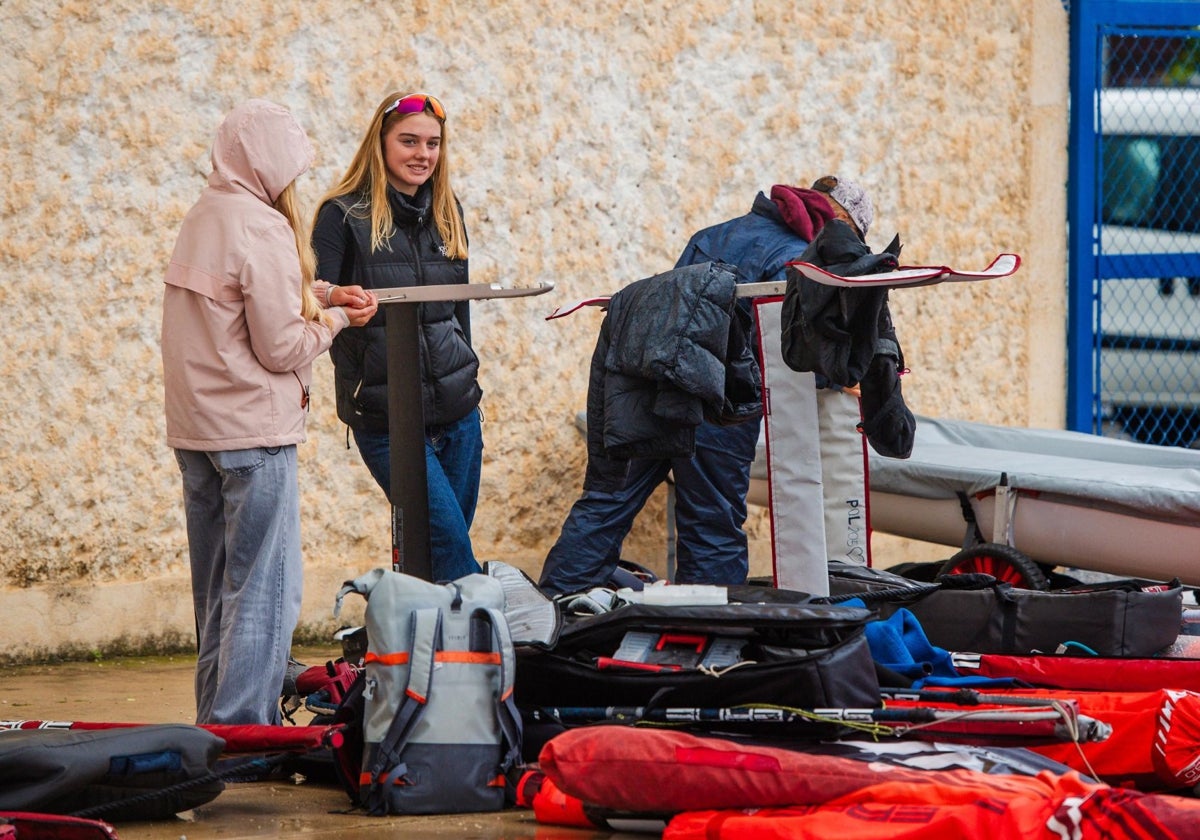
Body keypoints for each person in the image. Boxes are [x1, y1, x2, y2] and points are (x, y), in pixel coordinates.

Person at [538, 176, 876, 596]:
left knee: (608, 502)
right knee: (711, 524)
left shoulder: (714, 234)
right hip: (717, 400)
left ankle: (551, 610)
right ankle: (705, 634)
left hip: (649, 385)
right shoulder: (797, 256)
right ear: (842, 217)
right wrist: (838, 375)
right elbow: (784, 344)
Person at [162, 99, 378, 725]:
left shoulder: (205, 214)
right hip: (254, 432)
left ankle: (213, 728)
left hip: (198, 431)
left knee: (217, 593)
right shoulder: (264, 225)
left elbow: (242, 301)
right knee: (263, 593)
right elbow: (282, 345)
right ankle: (243, 735)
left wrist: (323, 292)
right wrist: (336, 319)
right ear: (271, 164)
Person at [311, 92, 483, 582]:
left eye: (432, 143)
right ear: (379, 144)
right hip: (387, 418)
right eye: (408, 140)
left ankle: (417, 653)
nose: (422, 154)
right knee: (454, 559)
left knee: (435, 559)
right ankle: (487, 645)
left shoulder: (448, 211)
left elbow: (459, 311)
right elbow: (312, 297)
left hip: (459, 416)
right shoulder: (341, 215)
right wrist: (340, 303)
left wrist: (470, 386)